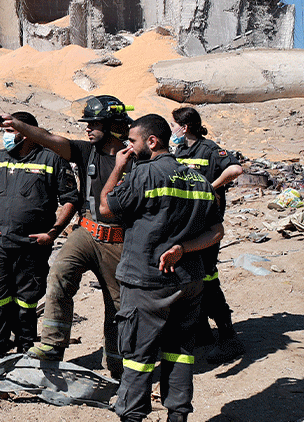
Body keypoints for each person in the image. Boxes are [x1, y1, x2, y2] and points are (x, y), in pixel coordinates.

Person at [100, 114, 224, 422]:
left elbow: (105, 208)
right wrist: (184, 249)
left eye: (132, 142)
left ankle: (131, 416)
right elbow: (216, 231)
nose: (128, 147)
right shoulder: (198, 179)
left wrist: (118, 167)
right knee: (180, 351)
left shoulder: (145, 175)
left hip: (147, 282)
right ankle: (178, 415)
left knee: (139, 358)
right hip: (189, 282)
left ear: (152, 141)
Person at [3, 95, 132, 377]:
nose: (87, 128)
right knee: (59, 275)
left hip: (119, 242)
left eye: (94, 123)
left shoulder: (134, 160)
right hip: (85, 232)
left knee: (117, 305)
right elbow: (49, 138)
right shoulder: (87, 152)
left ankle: (118, 366)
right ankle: (52, 345)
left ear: (111, 125)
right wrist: (18, 125)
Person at [0, 111, 79, 357]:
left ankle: (25, 349)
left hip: (32, 245)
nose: (6, 137)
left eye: (11, 131)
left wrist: (53, 233)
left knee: (26, 300)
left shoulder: (51, 160)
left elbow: (70, 200)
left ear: (28, 133)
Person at [170, 106, 245, 363]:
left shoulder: (210, 150)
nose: (173, 131)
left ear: (185, 127)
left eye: (174, 126)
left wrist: (210, 188)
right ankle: (201, 332)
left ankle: (228, 336)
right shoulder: (180, 152)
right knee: (191, 279)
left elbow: (235, 170)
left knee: (209, 278)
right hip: (186, 226)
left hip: (206, 227)